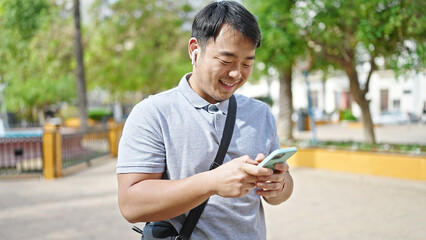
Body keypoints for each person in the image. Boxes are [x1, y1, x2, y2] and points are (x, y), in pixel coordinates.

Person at [117, 1, 293, 239]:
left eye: (247, 63)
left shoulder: (260, 114)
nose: (236, 74)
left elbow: (282, 193)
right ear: (194, 50)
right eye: (226, 61)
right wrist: (212, 182)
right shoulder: (152, 113)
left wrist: (278, 185)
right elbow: (131, 204)